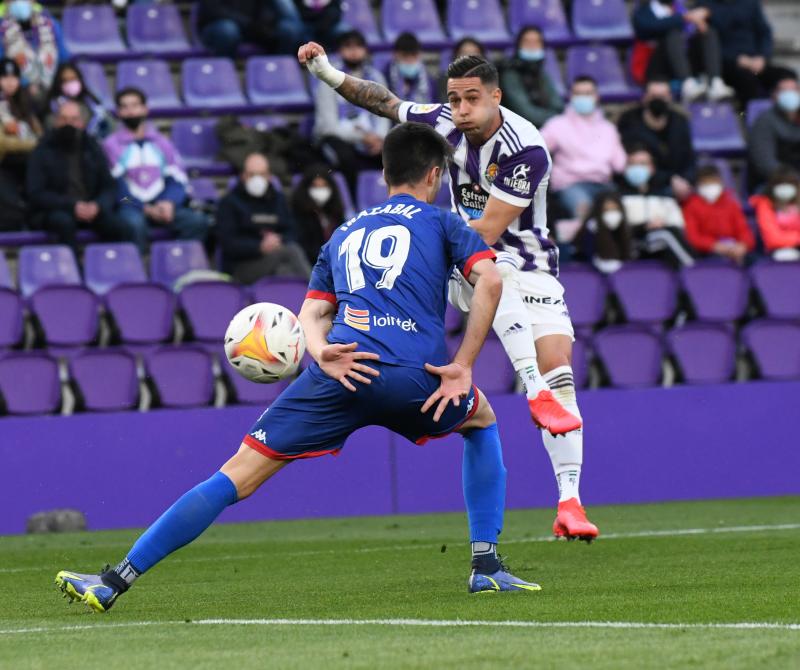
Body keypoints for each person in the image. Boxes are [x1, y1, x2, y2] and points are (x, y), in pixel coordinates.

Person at [55, 122, 540, 612]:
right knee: (481, 422)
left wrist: (319, 349)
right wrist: (462, 365)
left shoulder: (345, 232)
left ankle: (114, 579)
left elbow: (311, 313)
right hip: (415, 373)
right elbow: (491, 282)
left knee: (235, 475)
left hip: (339, 369)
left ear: (383, 171)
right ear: (434, 175)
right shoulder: (442, 222)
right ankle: (485, 567)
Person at [299, 42, 601, 541]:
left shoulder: (526, 149)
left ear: (496, 97)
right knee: (493, 270)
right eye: (454, 99)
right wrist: (327, 72)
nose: (460, 110)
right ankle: (534, 390)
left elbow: (489, 226)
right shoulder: (443, 120)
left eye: (471, 100)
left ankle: (569, 501)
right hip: (472, 263)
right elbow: (383, 101)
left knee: (562, 373)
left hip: (533, 264)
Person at [103, 87, 208, 251]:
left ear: (145, 108)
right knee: (133, 224)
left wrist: (169, 202)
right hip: (129, 205)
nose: (131, 111)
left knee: (197, 221)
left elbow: (178, 178)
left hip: (162, 203)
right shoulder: (110, 145)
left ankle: (180, 262)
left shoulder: (161, 142)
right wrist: (143, 208)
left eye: (135, 105)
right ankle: (139, 269)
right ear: (118, 112)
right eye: (125, 107)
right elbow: (117, 191)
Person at [26, 100, 131, 246]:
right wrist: (72, 205)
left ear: (82, 123)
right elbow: (36, 193)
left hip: (91, 209)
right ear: (56, 122)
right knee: (63, 222)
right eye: (63, 119)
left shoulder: (93, 148)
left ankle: (115, 266)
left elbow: (109, 186)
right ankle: (72, 267)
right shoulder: (42, 150)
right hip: (55, 210)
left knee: (119, 226)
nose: (68, 124)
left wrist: (98, 206)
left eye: (73, 119)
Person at [313, 30, 390, 197]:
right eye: (348, 47)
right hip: (338, 138)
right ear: (340, 51)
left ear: (365, 50)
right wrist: (361, 138)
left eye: (358, 47)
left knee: (395, 154)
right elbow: (328, 125)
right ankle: (353, 203)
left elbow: (384, 112)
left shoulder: (376, 77)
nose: (354, 51)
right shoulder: (328, 79)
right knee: (346, 158)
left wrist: (379, 138)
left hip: (372, 138)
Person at [216, 152, 311, 283]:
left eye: (261, 174)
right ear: (243, 176)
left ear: (269, 176)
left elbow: (293, 230)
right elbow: (229, 243)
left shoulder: (278, 200)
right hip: (242, 266)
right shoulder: (229, 203)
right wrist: (259, 246)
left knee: (283, 271)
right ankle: (319, 295)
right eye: (252, 174)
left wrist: (278, 240)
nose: (257, 179)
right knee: (291, 251)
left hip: (275, 258)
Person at [541, 76, 627, 220]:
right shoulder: (557, 125)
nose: (583, 97)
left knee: (619, 213)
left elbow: (621, 165)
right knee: (585, 213)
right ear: (571, 96)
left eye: (588, 93)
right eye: (578, 93)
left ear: (596, 96)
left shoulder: (608, 129)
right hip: (570, 185)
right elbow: (535, 147)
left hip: (604, 185)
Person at [631, 0, 733, 102]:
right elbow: (649, 26)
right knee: (672, 34)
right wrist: (683, 18)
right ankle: (687, 84)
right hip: (656, 67)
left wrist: (706, 13)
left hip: (682, 63)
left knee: (708, 33)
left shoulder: (683, 8)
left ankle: (715, 82)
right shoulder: (643, 11)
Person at [698, 0, 792, 105]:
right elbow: (707, 43)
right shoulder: (705, 5)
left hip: (756, 63)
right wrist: (736, 59)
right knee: (748, 81)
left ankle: (782, 116)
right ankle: (748, 117)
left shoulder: (750, 3)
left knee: (787, 77)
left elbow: (765, 32)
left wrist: (763, 57)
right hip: (726, 65)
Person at [617, 78, 696, 202]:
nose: (658, 100)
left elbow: (689, 157)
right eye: (654, 96)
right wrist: (670, 178)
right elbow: (629, 160)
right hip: (642, 185)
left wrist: (685, 180)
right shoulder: (629, 121)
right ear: (645, 97)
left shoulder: (680, 122)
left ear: (670, 97)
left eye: (663, 95)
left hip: (678, 185)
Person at [616, 146, 694, 268]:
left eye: (642, 164)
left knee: (667, 235)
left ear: (652, 168)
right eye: (632, 164)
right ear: (625, 169)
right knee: (665, 235)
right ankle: (695, 272)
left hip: (658, 243)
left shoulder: (664, 195)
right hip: (633, 243)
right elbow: (616, 228)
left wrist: (662, 224)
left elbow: (679, 226)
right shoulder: (617, 196)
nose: (637, 168)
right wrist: (645, 226)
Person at [0, 0, 69, 106]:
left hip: (51, 89)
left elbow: (64, 58)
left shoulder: (50, 23)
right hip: (13, 94)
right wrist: (24, 83)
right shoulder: (2, 28)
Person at [682, 164, 753, 264]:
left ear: (720, 182)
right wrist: (714, 245)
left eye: (713, 182)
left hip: (734, 247)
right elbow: (692, 237)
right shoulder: (691, 206)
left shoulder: (731, 203)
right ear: (698, 186)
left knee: (755, 261)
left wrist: (743, 245)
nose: (711, 186)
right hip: (708, 252)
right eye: (706, 183)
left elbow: (744, 231)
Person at [0, 56, 40, 230]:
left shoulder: (24, 102)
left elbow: (39, 133)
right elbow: (2, 143)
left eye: (14, 77)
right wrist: (33, 143)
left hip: (29, 162)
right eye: (4, 77)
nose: (10, 83)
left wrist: (36, 142)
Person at [499, 26, 563, 128]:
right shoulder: (510, 73)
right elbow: (526, 113)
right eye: (527, 42)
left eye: (537, 42)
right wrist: (557, 119)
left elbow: (558, 104)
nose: (532, 46)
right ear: (518, 46)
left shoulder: (541, 72)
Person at [197, 0, 301, 58]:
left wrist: (266, 25)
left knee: (288, 30)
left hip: (249, 28)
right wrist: (248, 24)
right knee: (228, 30)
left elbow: (267, 10)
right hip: (216, 27)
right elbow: (213, 11)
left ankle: (278, 72)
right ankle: (223, 73)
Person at [748, 73, 800, 189]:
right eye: (783, 90)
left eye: (794, 90)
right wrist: (792, 179)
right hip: (774, 183)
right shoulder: (764, 122)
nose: (790, 94)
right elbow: (764, 162)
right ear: (774, 96)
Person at [291, 165, 346, 264]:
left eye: (324, 186)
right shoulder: (299, 213)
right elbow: (303, 246)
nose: (320, 190)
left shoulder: (335, 212)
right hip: (311, 264)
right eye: (315, 186)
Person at [44, 62, 112, 139]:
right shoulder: (53, 107)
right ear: (58, 83)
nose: (70, 83)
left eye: (73, 78)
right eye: (65, 80)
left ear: (80, 79)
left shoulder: (92, 102)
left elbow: (108, 125)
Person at [573, 192, 634, 274]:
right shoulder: (592, 228)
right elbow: (587, 254)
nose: (611, 214)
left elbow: (628, 253)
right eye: (606, 210)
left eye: (614, 209)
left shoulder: (625, 228)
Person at [750, 167, 800, 261]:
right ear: (772, 187)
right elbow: (772, 240)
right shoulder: (765, 204)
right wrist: (797, 238)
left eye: (790, 183)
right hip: (775, 252)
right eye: (781, 184)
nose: (785, 187)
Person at [384, 33, 434, 105]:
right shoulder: (385, 77)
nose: (410, 60)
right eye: (405, 55)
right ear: (395, 54)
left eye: (414, 55)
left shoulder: (429, 80)